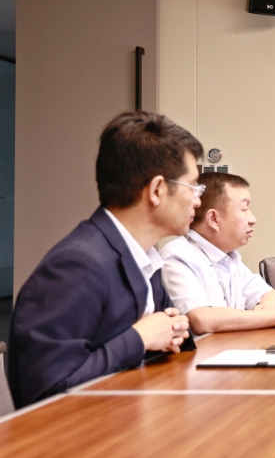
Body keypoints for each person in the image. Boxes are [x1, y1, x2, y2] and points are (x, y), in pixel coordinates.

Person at [8, 112, 202, 408]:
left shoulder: (144, 257)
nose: (198, 200)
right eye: (194, 187)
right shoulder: (77, 264)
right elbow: (45, 390)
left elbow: (166, 337)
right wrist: (140, 337)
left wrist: (171, 332)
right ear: (157, 190)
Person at [161, 172, 275, 333]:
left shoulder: (229, 257)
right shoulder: (177, 256)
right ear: (213, 219)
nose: (253, 219)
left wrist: (266, 311)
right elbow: (201, 320)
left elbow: (272, 296)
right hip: (203, 351)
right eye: (244, 209)